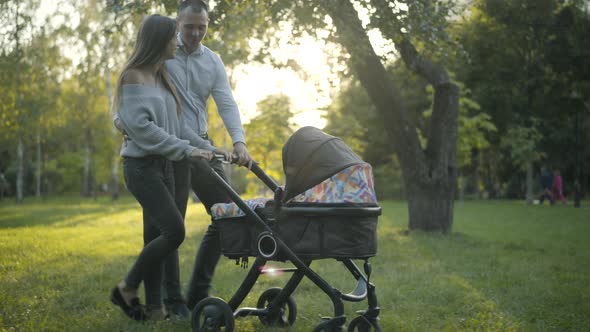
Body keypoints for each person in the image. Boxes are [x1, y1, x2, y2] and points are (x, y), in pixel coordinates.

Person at [109, 14, 228, 321]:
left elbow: (178, 128)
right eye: (172, 37)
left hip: (164, 166)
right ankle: (126, 287)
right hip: (141, 168)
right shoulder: (132, 77)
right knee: (174, 232)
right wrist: (188, 150)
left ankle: (154, 308)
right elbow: (145, 131)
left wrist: (208, 148)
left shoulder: (162, 77)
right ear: (159, 41)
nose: (177, 42)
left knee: (154, 235)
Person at [170, 0, 253, 311]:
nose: (195, 33)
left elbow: (227, 103)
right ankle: (171, 301)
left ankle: (197, 297)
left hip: (205, 147)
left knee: (227, 214)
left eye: (201, 27)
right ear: (177, 24)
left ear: (207, 25)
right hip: (171, 148)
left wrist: (240, 143)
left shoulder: (213, 61)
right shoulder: (163, 56)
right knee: (171, 228)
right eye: (189, 26)